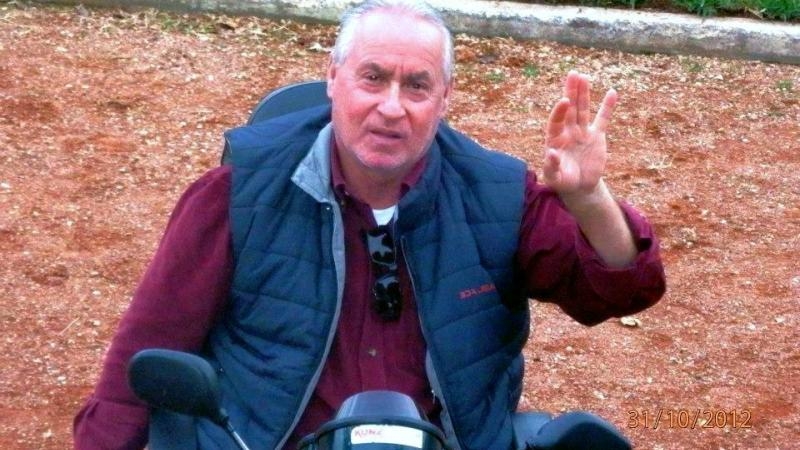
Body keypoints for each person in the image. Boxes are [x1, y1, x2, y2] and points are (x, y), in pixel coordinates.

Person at [73, 1, 666, 449]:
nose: (391, 106)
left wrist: (587, 197)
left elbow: (622, 287)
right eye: (373, 77)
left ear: (445, 97)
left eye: (417, 85)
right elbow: (142, 359)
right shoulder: (237, 194)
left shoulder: (498, 194)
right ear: (333, 78)